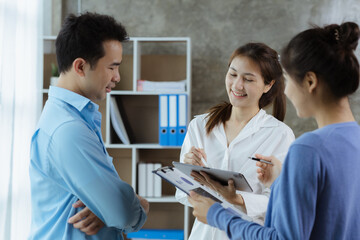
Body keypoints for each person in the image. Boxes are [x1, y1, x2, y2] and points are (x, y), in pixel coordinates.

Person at [188, 22, 360, 239]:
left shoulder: (307, 149)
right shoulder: (353, 141)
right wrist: (280, 183)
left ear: (310, 81)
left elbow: (283, 237)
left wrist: (217, 215)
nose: (285, 91)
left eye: (287, 80)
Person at [29, 12, 149, 239]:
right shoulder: (68, 130)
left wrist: (107, 207)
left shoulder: (73, 118)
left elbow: (114, 206)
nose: (117, 77)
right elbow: (122, 212)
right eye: (112, 67)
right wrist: (140, 204)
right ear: (81, 67)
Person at [175, 43, 295, 240]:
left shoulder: (280, 135)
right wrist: (187, 173)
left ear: (268, 85)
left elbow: (280, 203)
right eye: (232, 74)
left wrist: (238, 199)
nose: (237, 85)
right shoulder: (199, 126)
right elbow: (183, 196)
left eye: (248, 79)